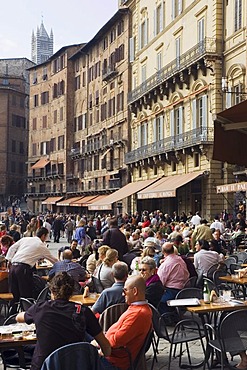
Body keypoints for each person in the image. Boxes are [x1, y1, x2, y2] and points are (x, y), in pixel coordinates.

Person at [16, 272, 111, 370]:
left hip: (43, 366)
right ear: (71, 292)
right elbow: (106, 347)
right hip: (75, 365)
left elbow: (19, 318)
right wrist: (100, 354)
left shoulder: (40, 308)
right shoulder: (83, 311)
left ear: (51, 291)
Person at [99, 275, 152, 370]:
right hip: (111, 352)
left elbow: (116, 342)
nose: (123, 294)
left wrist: (100, 341)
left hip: (114, 361)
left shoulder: (138, 314)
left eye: (125, 290)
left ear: (135, 291)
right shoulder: (137, 309)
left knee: (77, 354)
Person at [6, 227, 58, 309]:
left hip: (13, 266)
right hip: (23, 269)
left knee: (14, 294)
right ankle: (26, 316)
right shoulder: (41, 246)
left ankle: (12, 315)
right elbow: (54, 260)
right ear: (43, 236)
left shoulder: (25, 239)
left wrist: (9, 261)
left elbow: (12, 248)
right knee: (25, 294)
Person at [157, 243, 189, 314]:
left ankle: (165, 318)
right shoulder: (180, 260)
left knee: (154, 297)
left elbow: (160, 282)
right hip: (184, 290)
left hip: (172, 292)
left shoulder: (166, 264)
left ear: (163, 252)